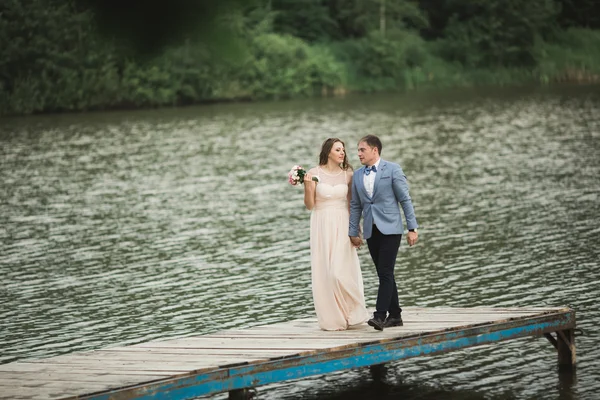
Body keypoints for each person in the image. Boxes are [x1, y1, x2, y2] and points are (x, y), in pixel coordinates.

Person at [349, 135, 418, 331]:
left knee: (386, 271)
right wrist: (353, 232)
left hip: (391, 229)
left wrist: (412, 228)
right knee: (383, 273)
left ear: (374, 150)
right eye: (358, 150)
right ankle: (395, 315)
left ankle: (380, 315)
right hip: (371, 230)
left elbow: (405, 200)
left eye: (362, 149)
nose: (358, 153)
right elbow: (355, 206)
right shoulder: (357, 175)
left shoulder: (393, 169)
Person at [303, 138, 369, 331]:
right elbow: (309, 205)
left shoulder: (348, 175)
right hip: (321, 224)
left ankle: (354, 311)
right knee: (325, 271)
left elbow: (352, 205)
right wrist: (308, 187)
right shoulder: (314, 174)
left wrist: (356, 230)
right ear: (328, 152)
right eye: (338, 149)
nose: (342, 153)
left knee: (339, 271)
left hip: (342, 222)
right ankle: (335, 318)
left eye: (343, 150)